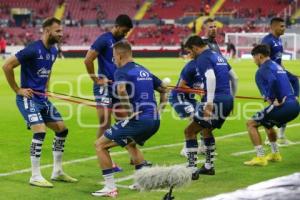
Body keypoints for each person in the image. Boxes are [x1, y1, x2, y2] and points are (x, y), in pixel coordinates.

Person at [2, 17, 77, 187]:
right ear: (47, 31)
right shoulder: (32, 49)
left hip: (42, 98)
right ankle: (35, 176)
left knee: (62, 129)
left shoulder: (53, 51)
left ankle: (57, 171)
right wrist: (18, 89)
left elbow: (48, 71)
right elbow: (7, 66)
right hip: (27, 98)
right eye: (58, 31)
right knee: (40, 131)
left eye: (61, 30)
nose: (61, 33)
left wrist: (47, 89)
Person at [91, 41, 167, 197]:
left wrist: (129, 110)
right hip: (154, 121)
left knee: (100, 145)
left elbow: (120, 90)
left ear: (119, 55)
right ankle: (142, 182)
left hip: (140, 120)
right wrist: (160, 110)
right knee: (131, 145)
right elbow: (163, 90)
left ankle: (110, 188)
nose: (114, 60)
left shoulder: (122, 71)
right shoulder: (144, 70)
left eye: (113, 57)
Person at [183, 36, 238, 179]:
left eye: (190, 51)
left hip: (214, 100)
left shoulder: (203, 57)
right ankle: (208, 166)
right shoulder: (218, 56)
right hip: (226, 99)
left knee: (189, 131)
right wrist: (232, 98)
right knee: (206, 130)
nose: (190, 55)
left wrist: (209, 103)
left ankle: (192, 169)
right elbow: (235, 77)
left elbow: (211, 77)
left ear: (195, 48)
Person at [84, 14, 133, 172]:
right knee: (105, 122)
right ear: (117, 26)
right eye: (124, 31)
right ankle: (106, 159)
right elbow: (88, 60)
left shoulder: (123, 43)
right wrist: (95, 80)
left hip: (118, 86)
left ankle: (134, 156)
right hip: (104, 87)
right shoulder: (104, 39)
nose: (125, 34)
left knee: (124, 121)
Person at [244, 44, 299, 166]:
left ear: (259, 56)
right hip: (295, 106)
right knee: (267, 123)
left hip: (283, 107)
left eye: (254, 58)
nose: (254, 61)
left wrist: (273, 98)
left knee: (251, 123)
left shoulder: (262, 70)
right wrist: (296, 95)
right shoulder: (277, 66)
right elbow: (295, 79)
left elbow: (273, 80)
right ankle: (275, 154)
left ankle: (260, 157)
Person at [261, 17, 299, 145]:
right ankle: (269, 136)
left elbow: (278, 59)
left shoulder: (279, 40)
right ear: (274, 27)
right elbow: (262, 60)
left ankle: (282, 136)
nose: (284, 28)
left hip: (279, 72)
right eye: (281, 26)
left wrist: (284, 69)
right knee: (276, 105)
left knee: (294, 80)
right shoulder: (267, 41)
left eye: (284, 26)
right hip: (272, 75)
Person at [169, 54, 205, 157]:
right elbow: (181, 86)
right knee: (193, 118)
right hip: (178, 97)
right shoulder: (192, 66)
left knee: (203, 118)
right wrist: (198, 91)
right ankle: (186, 149)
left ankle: (203, 147)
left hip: (190, 98)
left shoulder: (206, 67)